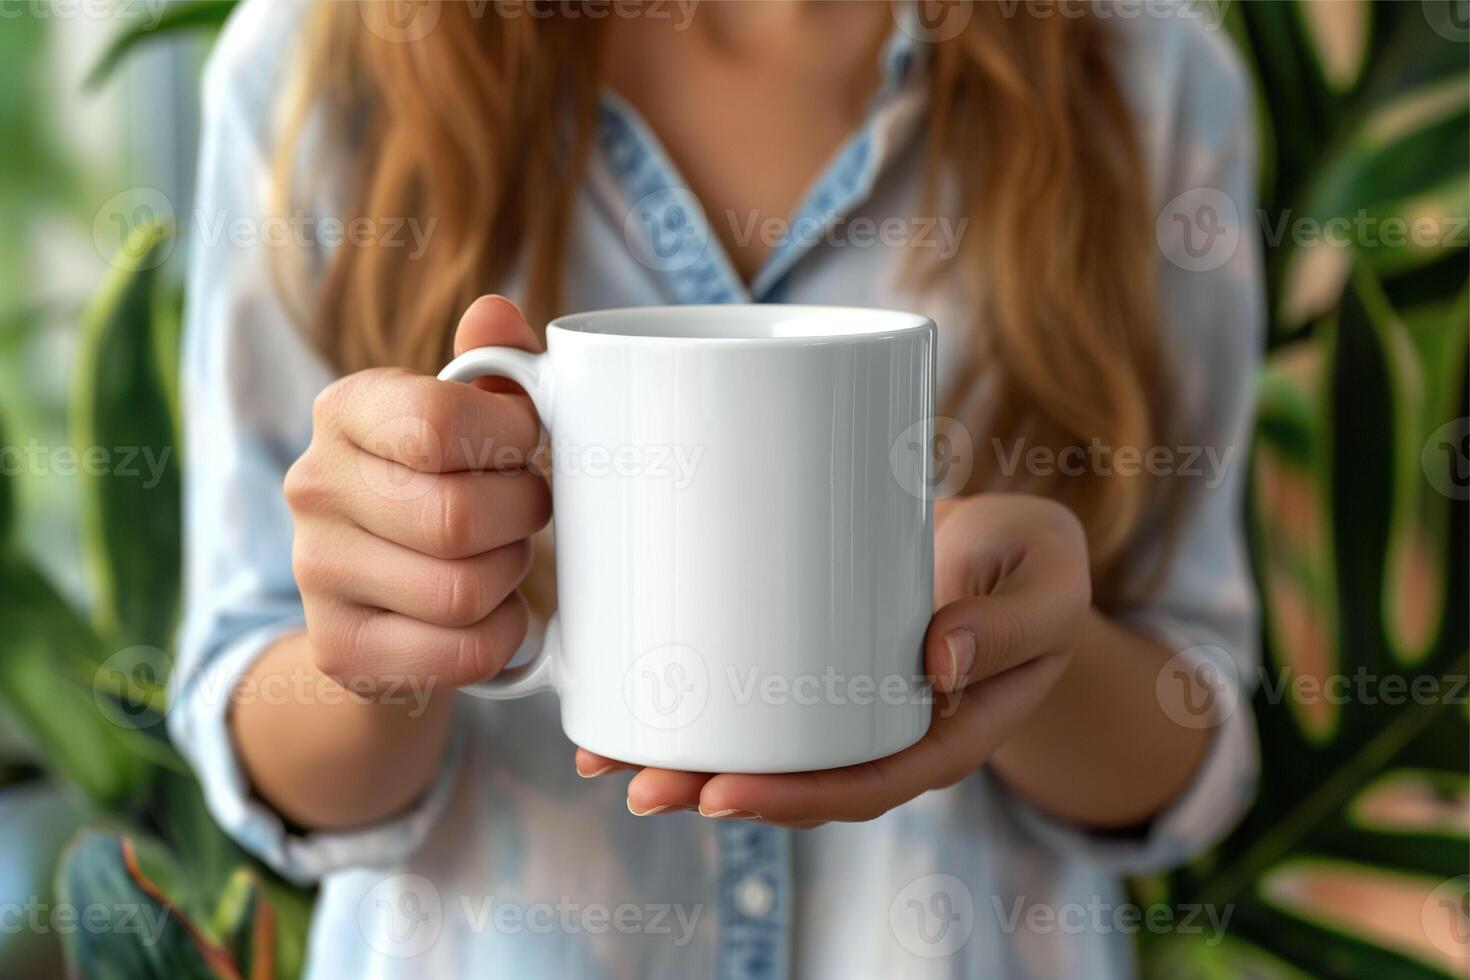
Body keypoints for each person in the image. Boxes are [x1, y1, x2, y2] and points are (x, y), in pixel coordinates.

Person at [169, 1, 1264, 976]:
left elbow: (1189, 735)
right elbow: (256, 715)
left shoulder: (1146, 68)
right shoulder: (326, 55)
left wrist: (1034, 650)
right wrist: (383, 643)